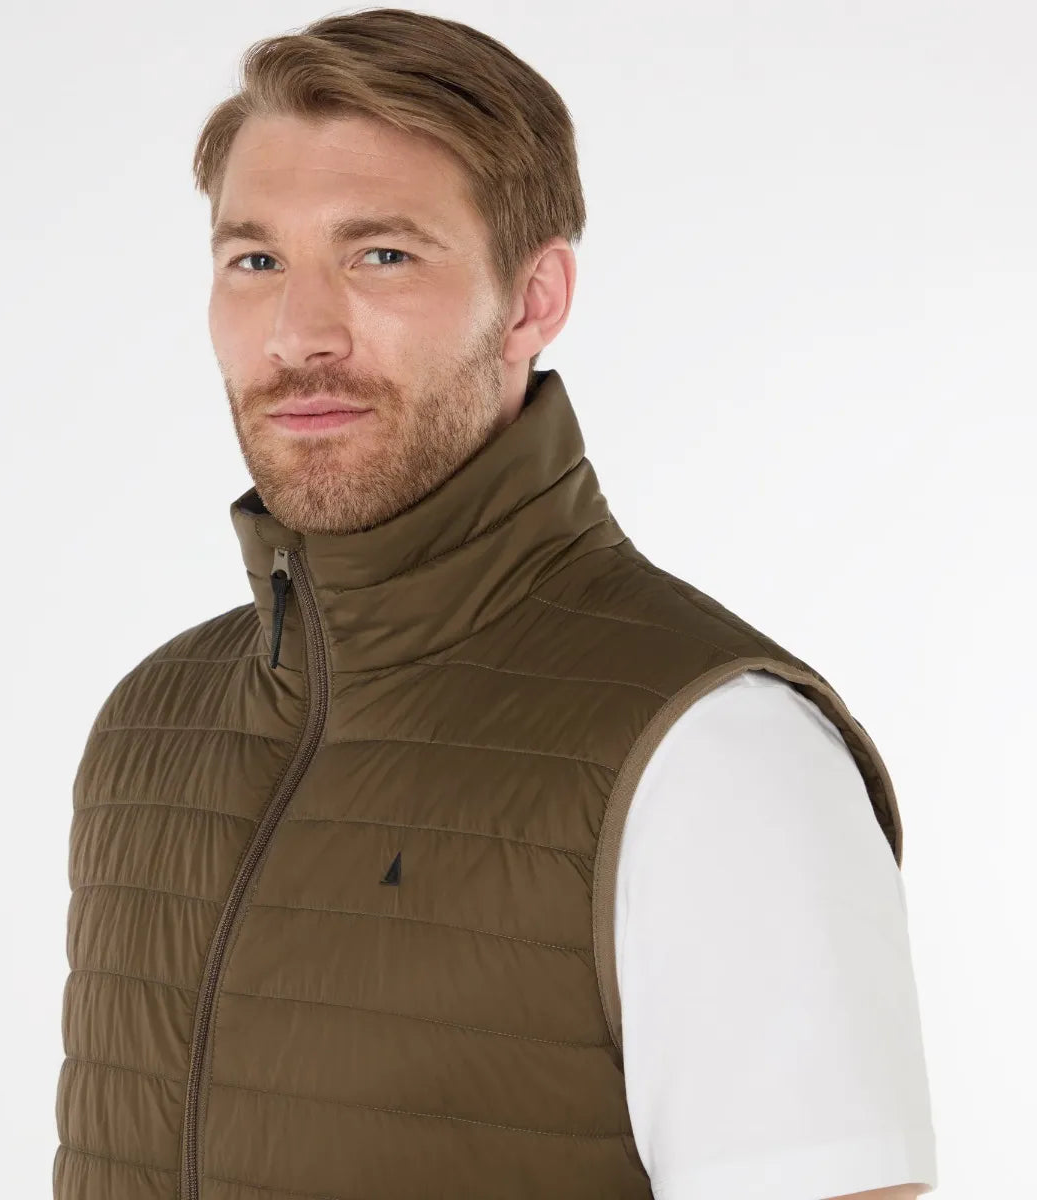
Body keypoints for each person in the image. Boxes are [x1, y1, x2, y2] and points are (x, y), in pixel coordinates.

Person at [52, 9, 937, 1199]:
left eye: (381, 256)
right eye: (255, 261)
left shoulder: (711, 751)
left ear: (532, 300)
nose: (299, 335)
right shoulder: (151, 730)